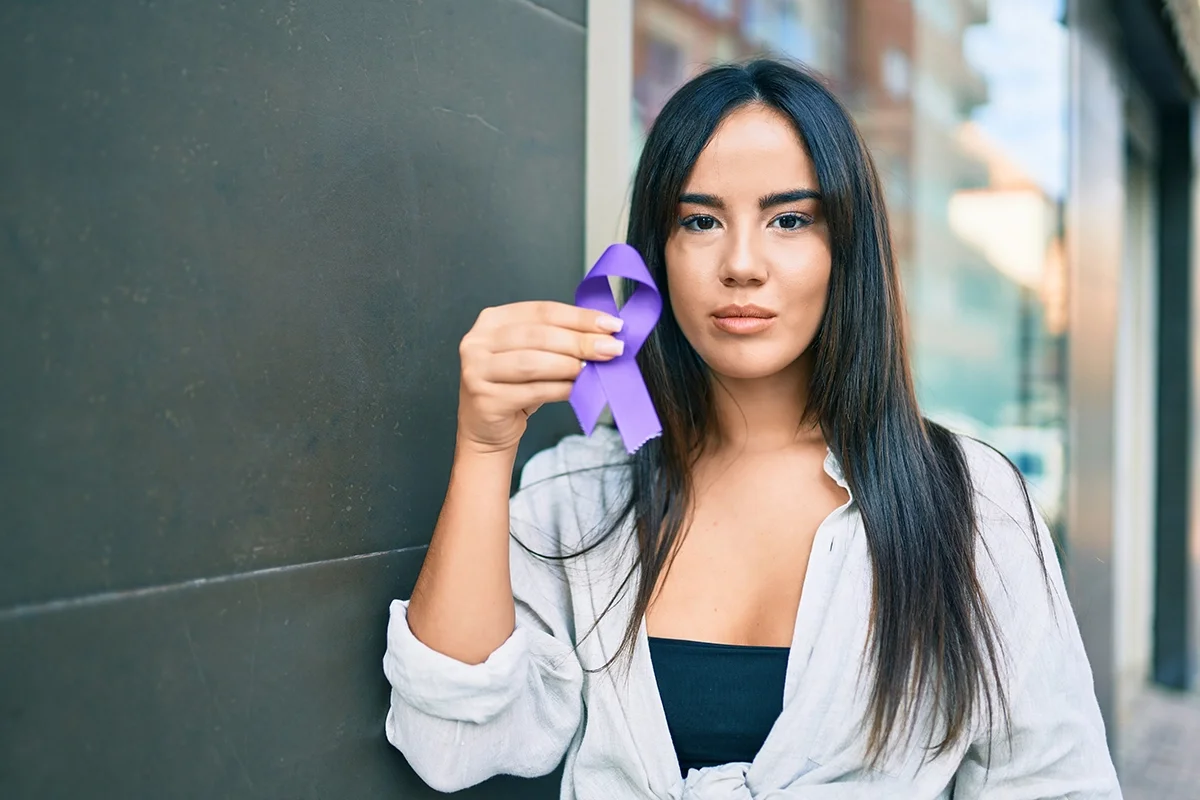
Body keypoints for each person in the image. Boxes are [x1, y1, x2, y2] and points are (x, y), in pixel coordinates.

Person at [381, 59, 1122, 799]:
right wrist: (484, 446)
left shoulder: (968, 501)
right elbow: (453, 743)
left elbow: (1056, 784)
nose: (741, 264)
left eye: (790, 219)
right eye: (700, 220)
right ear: (656, 255)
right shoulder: (583, 493)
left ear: (846, 249)